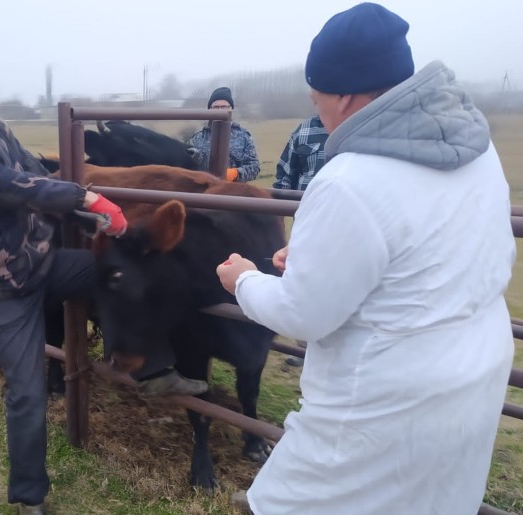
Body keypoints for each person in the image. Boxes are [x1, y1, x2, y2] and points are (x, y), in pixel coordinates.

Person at [217, 4, 515, 515]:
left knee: (274, 506)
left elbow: (302, 314)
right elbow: (433, 253)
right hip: (473, 379)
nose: (319, 115)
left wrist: (244, 280)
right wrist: (322, 259)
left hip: (383, 403)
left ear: (345, 95)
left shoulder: (350, 178)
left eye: (318, 100)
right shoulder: (476, 150)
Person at [0, 51, 206, 515]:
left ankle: (153, 368)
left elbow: (36, 174)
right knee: (26, 392)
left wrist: (92, 220)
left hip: (41, 260)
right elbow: (5, 184)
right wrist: (85, 194)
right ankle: (30, 499)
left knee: (123, 272)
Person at [273, 115, 329, 367]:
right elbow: (286, 170)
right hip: (307, 217)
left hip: (347, 215)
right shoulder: (305, 130)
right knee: (303, 275)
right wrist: (280, 210)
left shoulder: (369, 129)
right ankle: (304, 348)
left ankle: (331, 349)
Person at [186, 87, 261, 182]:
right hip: (205, 193)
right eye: (216, 107)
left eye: (224, 107)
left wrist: (236, 173)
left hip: (234, 193)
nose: (220, 110)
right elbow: (187, 167)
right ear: (210, 109)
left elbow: (254, 168)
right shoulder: (197, 138)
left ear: (231, 109)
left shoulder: (244, 136)